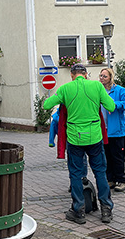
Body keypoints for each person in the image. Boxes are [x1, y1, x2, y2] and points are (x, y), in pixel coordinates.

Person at [43, 63, 116, 224]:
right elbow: (111, 106)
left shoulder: (65, 88)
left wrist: (62, 99)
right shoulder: (97, 86)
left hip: (74, 137)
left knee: (76, 174)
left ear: (72, 75)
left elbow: (46, 105)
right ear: (86, 74)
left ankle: (79, 211)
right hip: (94, 136)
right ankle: (106, 209)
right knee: (100, 172)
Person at [99, 68, 125, 192]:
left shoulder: (120, 90)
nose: (102, 78)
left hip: (117, 131)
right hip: (103, 130)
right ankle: (110, 179)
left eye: (104, 76)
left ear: (110, 77)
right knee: (106, 157)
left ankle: (121, 180)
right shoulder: (99, 91)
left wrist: (114, 104)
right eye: (101, 76)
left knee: (117, 157)